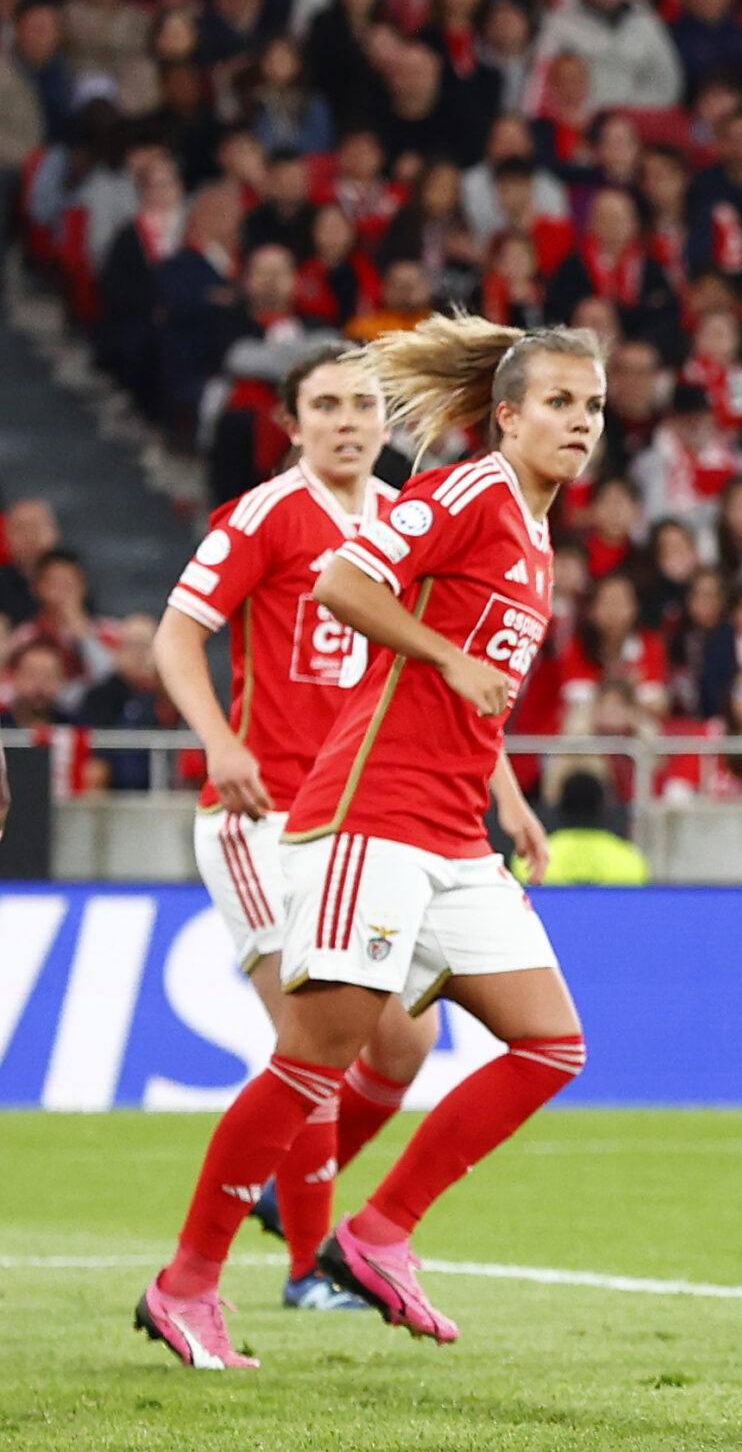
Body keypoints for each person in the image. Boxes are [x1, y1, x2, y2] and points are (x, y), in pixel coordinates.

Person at [136, 320, 602, 1369]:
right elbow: (346, 585)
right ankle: (189, 1283)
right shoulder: (465, 492)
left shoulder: (529, 528)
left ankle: (376, 1232)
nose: (581, 422)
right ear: (510, 414)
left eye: (594, 406)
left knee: (551, 1041)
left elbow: (469, 691)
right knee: (315, 1057)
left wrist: (508, 796)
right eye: (562, 403)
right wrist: (444, 656)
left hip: (453, 830)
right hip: (369, 813)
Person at [150, 340, 442, 1313]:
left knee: (404, 1043)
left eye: (365, 404)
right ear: (293, 423)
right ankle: (308, 1265)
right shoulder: (267, 514)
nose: (350, 421)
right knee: (313, 1042)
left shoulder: (403, 520)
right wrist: (220, 741)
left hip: (357, 819)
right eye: (328, 405)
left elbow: (432, 666)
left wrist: (508, 796)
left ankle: (287, 1188)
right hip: (261, 817)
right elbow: (176, 633)